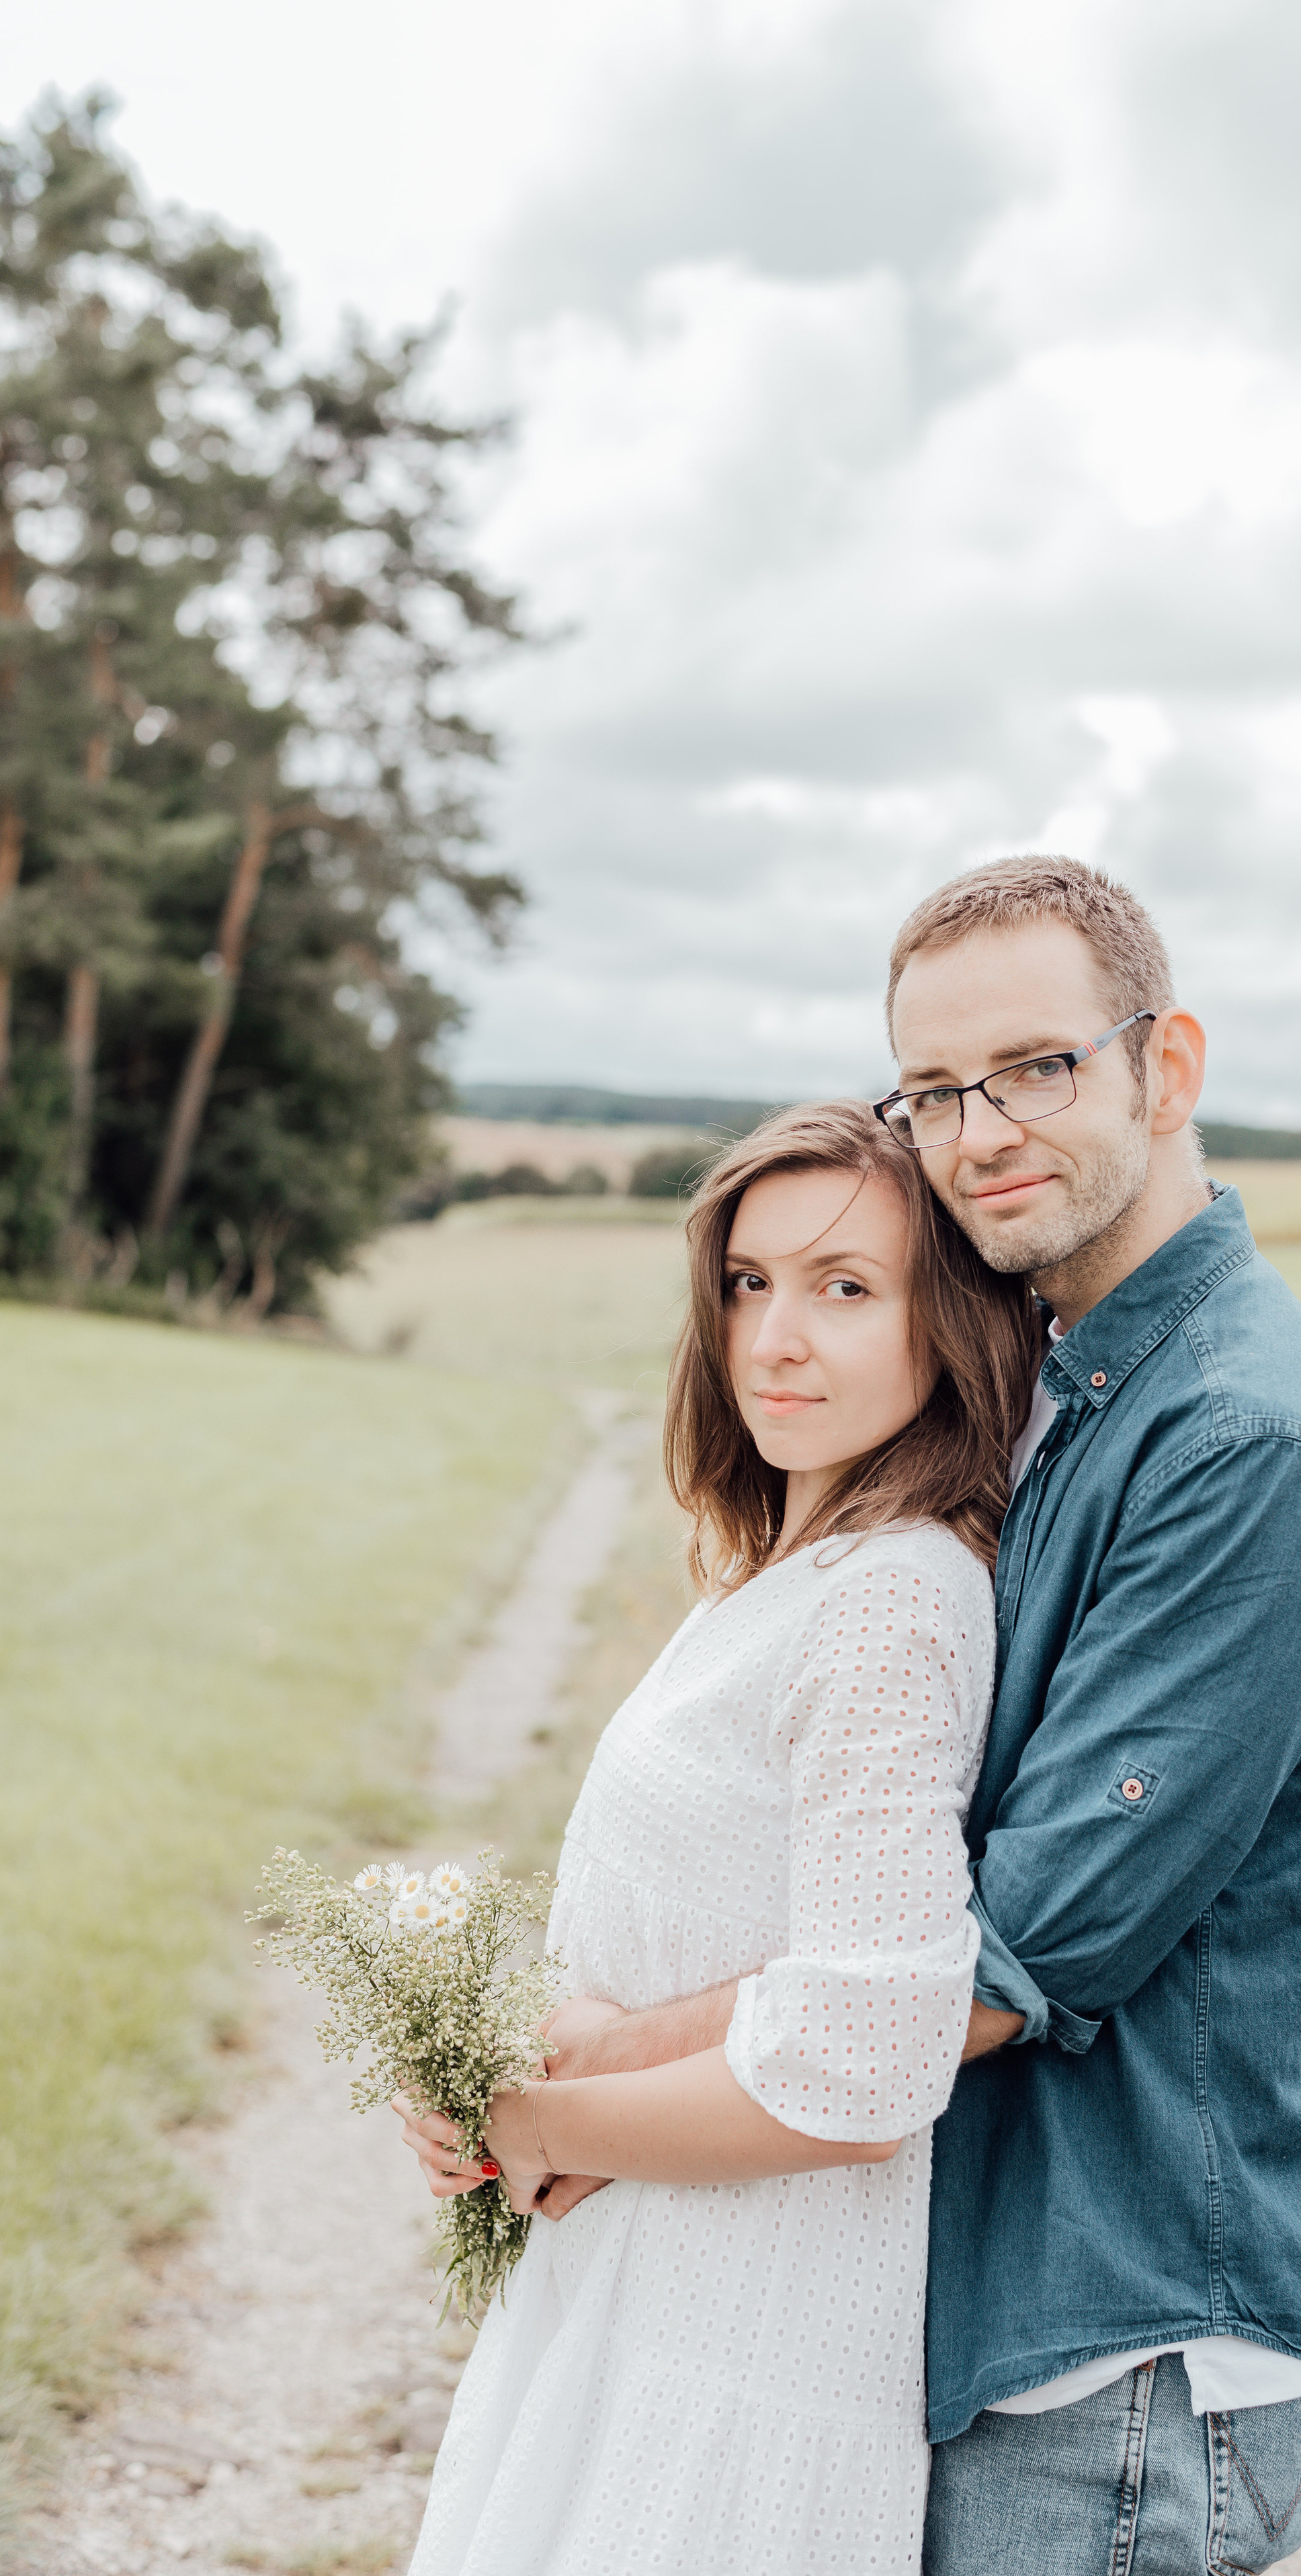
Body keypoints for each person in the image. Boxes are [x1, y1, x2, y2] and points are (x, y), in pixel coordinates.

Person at [395, 1099, 1040, 2576]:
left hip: (740, 2337)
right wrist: (475, 2068)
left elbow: (869, 2065)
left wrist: (541, 2121)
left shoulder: (892, 1601)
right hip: (636, 2294)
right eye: (750, 1282)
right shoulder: (778, 1574)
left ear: (950, 1325)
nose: (775, 1339)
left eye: (845, 1288)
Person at [879, 857, 1301, 2573]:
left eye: (1036, 1067)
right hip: (1018, 2318)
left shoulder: (1248, 1438)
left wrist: (588, 2090)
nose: (979, 1133)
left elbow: (1008, 1960)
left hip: (1122, 2369)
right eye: (936, 1093)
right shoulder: (1061, 1383)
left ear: (1162, 1069)